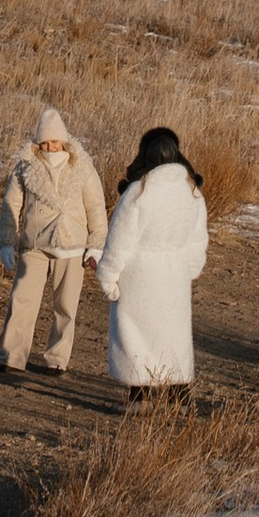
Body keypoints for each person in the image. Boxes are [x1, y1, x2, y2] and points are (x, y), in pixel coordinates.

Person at [95, 127, 210, 394]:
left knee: (137, 335)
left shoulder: (137, 192)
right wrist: (191, 269)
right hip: (175, 274)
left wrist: (108, 277)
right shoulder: (191, 192)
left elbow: (119, 241)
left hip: (139, 275)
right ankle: (179, 395)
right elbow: (198, 239)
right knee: (173, 333)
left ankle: (140, 396)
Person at [0, 107, 108, 373]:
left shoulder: (82, 166)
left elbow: (96, 207)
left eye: (55, 141)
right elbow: (11, 204)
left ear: (64, 140)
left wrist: (96, 245)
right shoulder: (25, 166)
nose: (50, 147)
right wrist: (7, 241)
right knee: (21, 300)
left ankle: (57, 360)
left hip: (73, 245)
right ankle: (8, 356)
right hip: (34, 243)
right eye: (44, 142)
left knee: (66, 306)